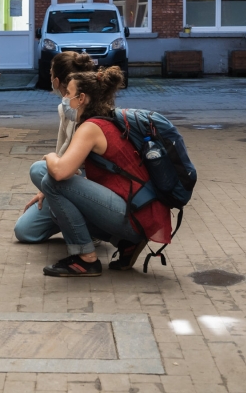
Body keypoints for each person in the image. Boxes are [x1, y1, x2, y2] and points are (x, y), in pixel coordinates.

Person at [38, 67, 173, 277]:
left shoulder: (91, 128)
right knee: (56, 209)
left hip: (134, 214)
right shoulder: (104, 119)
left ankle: (86, 259)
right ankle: (126, 243)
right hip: (140, 210)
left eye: (68, 94)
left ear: (81, 98)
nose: (64, 99)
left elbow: (61, 172)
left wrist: (49, 156)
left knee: (52, 182)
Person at [14, 52, 95, 244]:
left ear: (57, 80)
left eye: (51, 74)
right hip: (68, 178)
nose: (65, 97)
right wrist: (46, 191)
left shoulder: (91, 113)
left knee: (39, 169)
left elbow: (63, 166)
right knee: (25, 231)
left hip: (88, 182)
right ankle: (72, 219)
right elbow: (62, 152)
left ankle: (88, 228)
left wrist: (51, 164)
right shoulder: (66, 109)